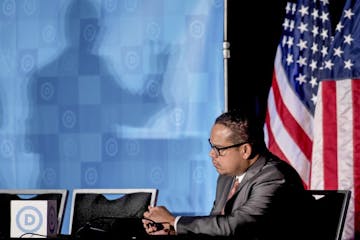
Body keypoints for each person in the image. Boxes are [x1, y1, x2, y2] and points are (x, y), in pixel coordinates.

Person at [142, 110, 314, 239]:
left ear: (245, 150)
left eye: (219, 149)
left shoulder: (275, 177)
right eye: (211, 146)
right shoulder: (227, 177)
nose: (211, 154)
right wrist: (172, 230)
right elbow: (216, 226)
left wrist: (175, 221)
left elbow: (236, 226)